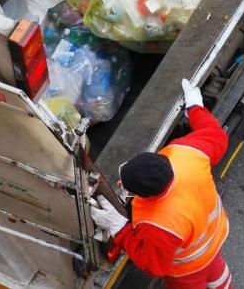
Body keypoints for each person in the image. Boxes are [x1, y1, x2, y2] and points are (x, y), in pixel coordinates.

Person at [90, 79, 232, 289]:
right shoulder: (185, 154)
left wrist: (119, 229)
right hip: (214, 238)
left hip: (189, 267)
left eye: (126, 184)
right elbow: (216, 136)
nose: (120, 182)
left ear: (148, 196)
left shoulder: (159, 223)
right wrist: (195, 107)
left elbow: (154, 265)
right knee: (218, 275)